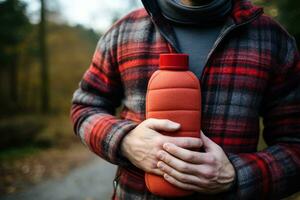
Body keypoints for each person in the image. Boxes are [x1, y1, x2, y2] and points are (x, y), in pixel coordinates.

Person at [70, 0, 300, 199]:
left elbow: (295, 145)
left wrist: (237, 175)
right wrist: (124, 141)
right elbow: (85, 107)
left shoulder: (273, 40)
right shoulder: (123, 31)